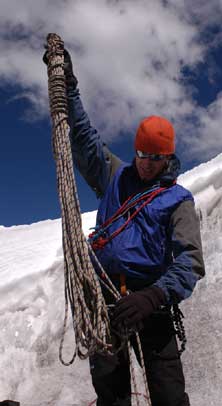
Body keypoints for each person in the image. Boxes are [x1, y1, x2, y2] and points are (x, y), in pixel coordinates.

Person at [44, 49, 205, 406]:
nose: (147, 164)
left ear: (168, 158)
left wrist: (153, 296)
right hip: (105, 299)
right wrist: (68, 86)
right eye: (142, 155)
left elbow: (190, 260)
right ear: (136, 151)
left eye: (156, 158)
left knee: (168, 394)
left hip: (152, 301)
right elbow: (85, 138)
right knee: (111, 394)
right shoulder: (116, 175)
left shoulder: (177, 199)